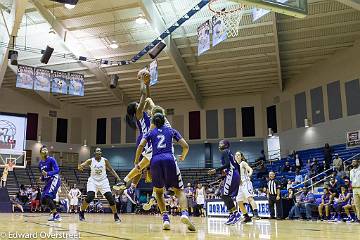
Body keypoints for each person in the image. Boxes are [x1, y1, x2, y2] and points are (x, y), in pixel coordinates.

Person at [135, 113, 195, 231]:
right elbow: (186, 146)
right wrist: (183, 156)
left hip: (155, 161)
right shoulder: (171, 130)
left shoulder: (150, 132)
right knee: (179, 190)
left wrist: (136, 162)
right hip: (169, 159)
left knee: (158, 192)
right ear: (164, 121)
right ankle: (184, 214)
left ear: (154, 123)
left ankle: (166, 219)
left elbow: (140, 146)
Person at [78, 147, 121, 222]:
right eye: (97, 151)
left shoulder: (105, 160)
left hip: (103, 181)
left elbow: (111, 169)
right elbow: (81, 165)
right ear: (95, 153)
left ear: (101, 153)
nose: (99, 152)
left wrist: (118, 178)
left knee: (110, 198)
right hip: (93, 181)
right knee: (90, 197)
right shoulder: (90, 160)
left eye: (100, 151)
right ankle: (81, 213)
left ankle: (116, 216)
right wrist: (80, 167)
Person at [208, 140, 241, 225]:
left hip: (232, 173)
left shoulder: (225, 151)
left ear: (226, 145)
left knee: (224, 195)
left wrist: (216, 170)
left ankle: (236, 214)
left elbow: (227, 165)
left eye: (221, 143)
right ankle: (232, 214)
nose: (219, 145)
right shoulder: (229, 152)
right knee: (225, 195)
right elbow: (237, 165)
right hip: (234, 173)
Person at [38, 145, 61, 221]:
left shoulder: (51, 159)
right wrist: (42, 178)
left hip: (54, 178)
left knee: (47, 196)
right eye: (43, 149)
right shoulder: (40, 164)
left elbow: (57, 170)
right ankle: (53, 213)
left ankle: (56, 215)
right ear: (40, 153)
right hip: (48, 181)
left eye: (46, 149)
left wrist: (48, 173)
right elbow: (43, 175)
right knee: (43, 199)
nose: (45, 150)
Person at [235, 151, 259, 222]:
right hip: (239, 185)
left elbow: (250, 169)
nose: (237, 156)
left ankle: (256, 214)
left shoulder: (243, 163)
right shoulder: (234, 165)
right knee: (239, 202)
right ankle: (246, 217)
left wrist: (250, 173)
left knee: (250, 198)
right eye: (236, 155)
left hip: (246, 183)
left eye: (238, 155)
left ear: (241, 156)